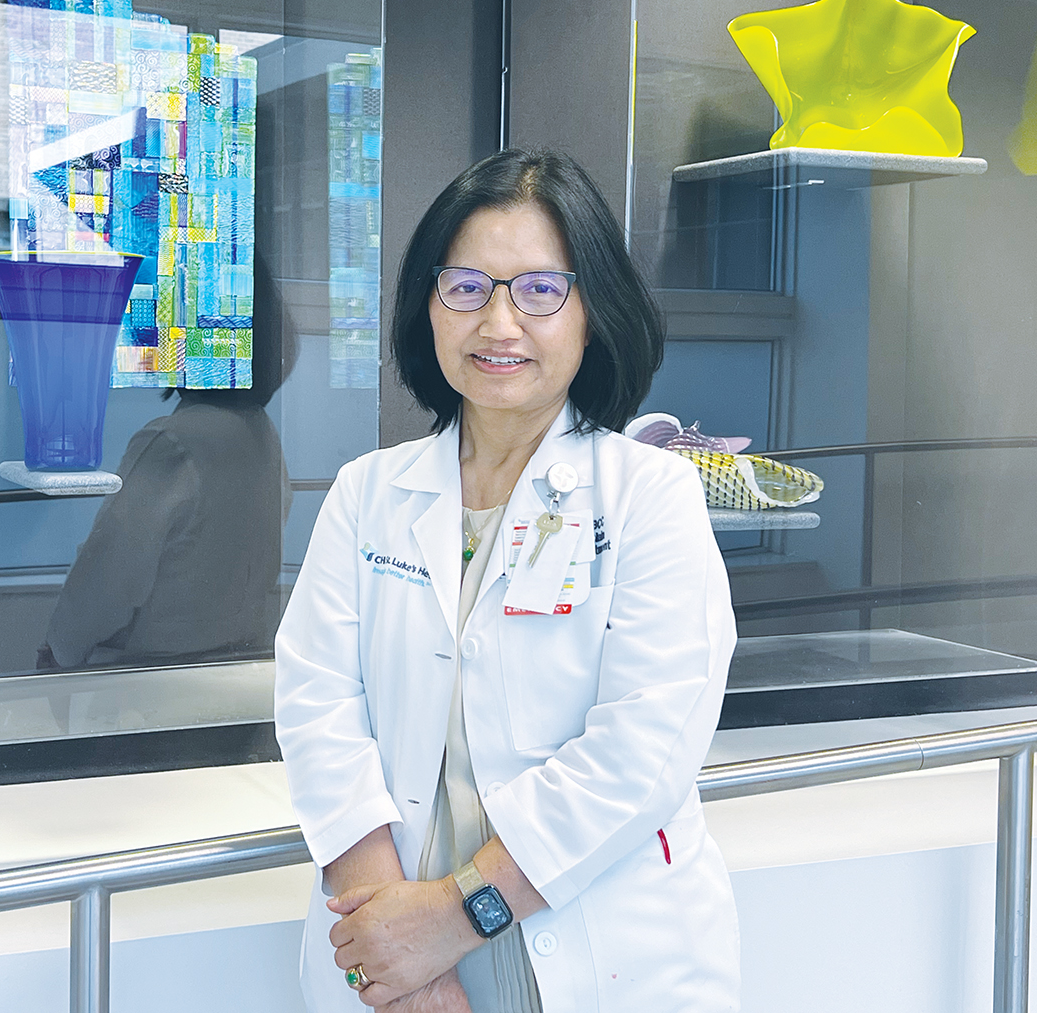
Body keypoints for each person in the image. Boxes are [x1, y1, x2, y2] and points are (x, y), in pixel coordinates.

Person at [273, 149, 741, 1012]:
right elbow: (317, 711)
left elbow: (645, 749)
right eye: (466, 288)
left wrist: (454, 918)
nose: (498, 323)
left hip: (595, 953)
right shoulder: (367, 494)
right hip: (396, 958)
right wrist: (400, 962)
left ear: (592, 313)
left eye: (539, 290)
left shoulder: (650, 496)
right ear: (428, 305)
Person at [37, 257, 297, 670]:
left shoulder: (172, 442)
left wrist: (56, 653)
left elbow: (106, 579)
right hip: (233, 664)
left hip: (148, 676)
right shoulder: (261, 431)